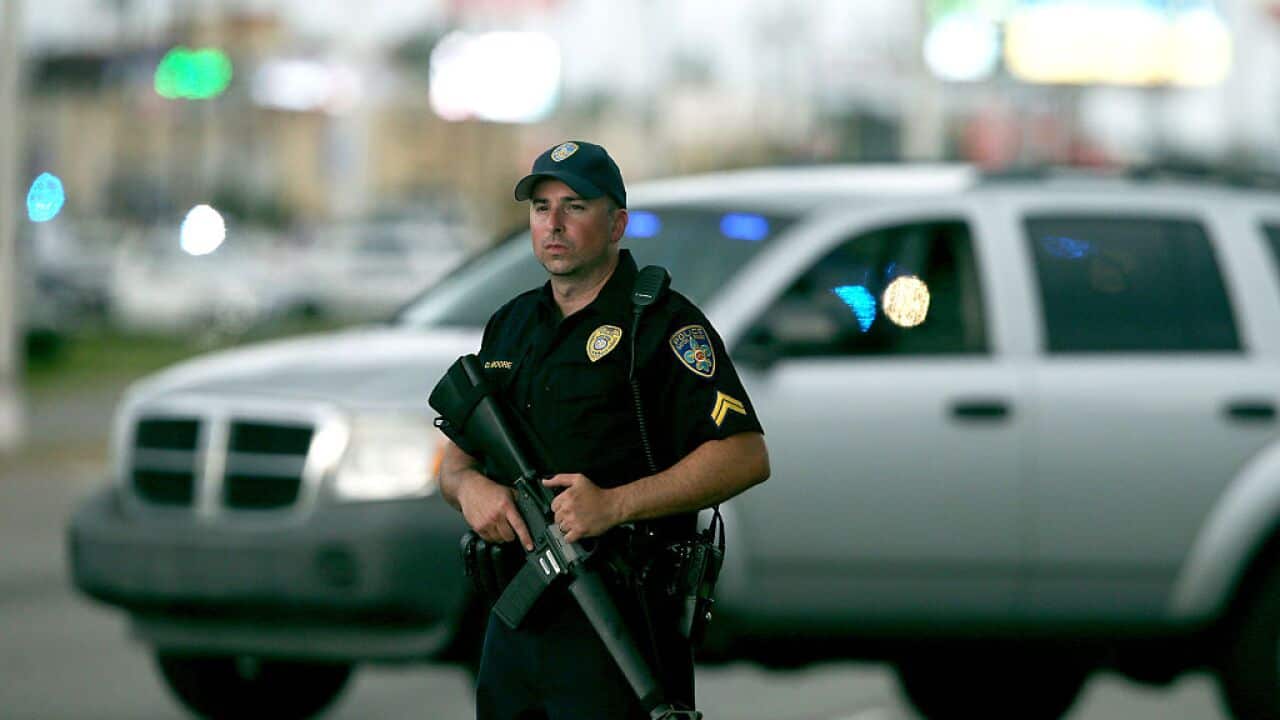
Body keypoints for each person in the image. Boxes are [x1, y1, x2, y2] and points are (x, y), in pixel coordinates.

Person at [437, 140, 770, 720]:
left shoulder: (664, 326)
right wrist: (472, 491)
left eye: (575, 206)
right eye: (541, 207)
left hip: (621, 618)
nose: (554, 224)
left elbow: (745, 456)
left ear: (617, 224)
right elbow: (455, 463)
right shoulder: (511, 324)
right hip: (515, 618)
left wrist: (615, 505)